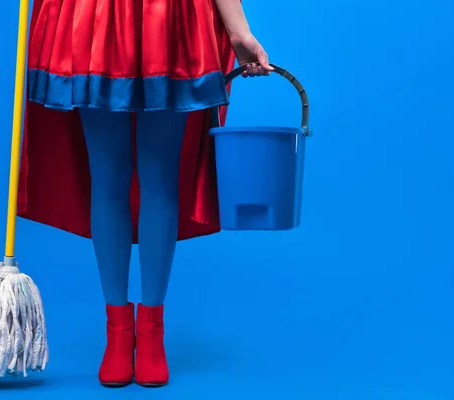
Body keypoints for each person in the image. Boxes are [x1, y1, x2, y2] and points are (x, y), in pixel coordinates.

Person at [17, 0, 271, 387]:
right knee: (107, 176)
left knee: (161, 176)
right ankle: (117, 330)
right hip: (94, 19)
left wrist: (238, 31)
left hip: (171, 19)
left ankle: (151, 330)